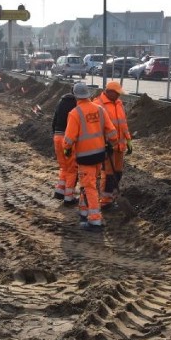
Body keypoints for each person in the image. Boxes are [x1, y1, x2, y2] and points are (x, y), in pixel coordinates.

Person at [63, 82, 118, 231]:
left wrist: (66, 149)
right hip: (99, 155)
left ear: (75, 96)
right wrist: (112, 144)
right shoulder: (100, 109)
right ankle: (84, 210)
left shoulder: (75, 113)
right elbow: (112, 132)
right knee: (90, 182)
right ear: (88, 94)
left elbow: (69, 139)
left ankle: (95, 220)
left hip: (85, 157)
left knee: (89, 186)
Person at [93, 80, 132, 209]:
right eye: (117, 93)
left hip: (119, 146)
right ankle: (105, 201)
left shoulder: (119, 103)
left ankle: (113, 197)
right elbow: (95, 128)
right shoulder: (98, 104)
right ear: (109, 92)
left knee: (118, 173)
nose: (119, 96)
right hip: (108, 146)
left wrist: (128, 139)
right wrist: (102, 143)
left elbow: (123, 123)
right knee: (108, 174)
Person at [51, 86, 79, 205]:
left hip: (57, 137)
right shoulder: (76, 105)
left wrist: (54, 134)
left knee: (64, 167)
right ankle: (69, 198)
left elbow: (54, 119)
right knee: (72, 169)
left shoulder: (61, 101)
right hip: (68, 139)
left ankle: (59, 191)